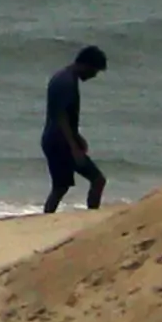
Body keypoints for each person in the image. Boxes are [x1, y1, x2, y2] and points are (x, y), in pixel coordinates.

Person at [40, 44, 111, 212]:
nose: (93, 75)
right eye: (94, 71)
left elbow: (61, 114)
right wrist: (74, 148)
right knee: (97, 179)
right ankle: (92, 218)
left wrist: (77, 137)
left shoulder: (62, 77)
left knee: (60, 187)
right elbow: (61, 117)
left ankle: (47, 219)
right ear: (85, 64)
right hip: (60, 142)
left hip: (53, 140)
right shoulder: (67, 83)